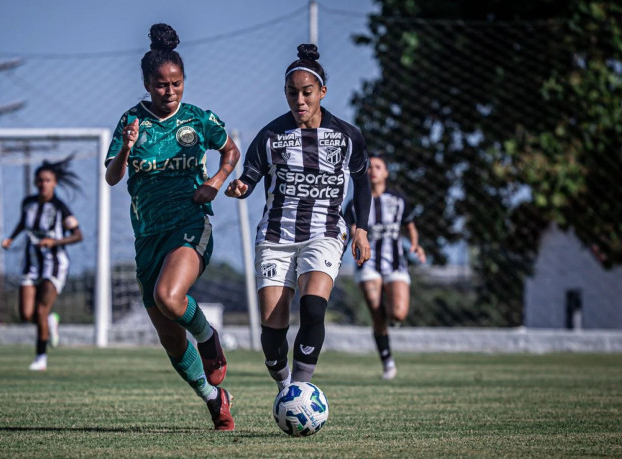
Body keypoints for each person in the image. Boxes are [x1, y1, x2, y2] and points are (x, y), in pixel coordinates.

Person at [104, 23, 240, 431]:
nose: (170, 92)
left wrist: (215, 183)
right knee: (169, 339)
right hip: (147, 236)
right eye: (161, 85)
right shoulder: (131, 121)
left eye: (176, 83)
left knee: (169, 295)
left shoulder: (198, 120)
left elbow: (230, 149)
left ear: (184, 81)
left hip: (189, 224)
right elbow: (112, 178)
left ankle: (209, 336)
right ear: (147, 83)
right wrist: (126, 148)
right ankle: (215, 400)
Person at [225, 44, 372, 392]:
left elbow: (362, 181)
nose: (300, 101)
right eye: (292, 93)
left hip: (325, 233)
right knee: (273, 336)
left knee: (313, 309)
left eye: (307, 93)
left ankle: (300, 392)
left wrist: (361, 229)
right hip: (276, 236)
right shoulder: (271, 136)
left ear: (322, 91)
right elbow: (251, 177)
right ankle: (283, 383)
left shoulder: (347, 137)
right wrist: (240, 188)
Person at [344, 155, 426, 380]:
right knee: (375, 310)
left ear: (386, 173)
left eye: (378, 167)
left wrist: (416, 245)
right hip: (368, 263)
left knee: (398, 314)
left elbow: (409, 226)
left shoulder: (398, 199)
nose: (373, 171)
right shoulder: (356, 203)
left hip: (395, 263)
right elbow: (351, 230)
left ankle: (392, 318)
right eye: (370, 167)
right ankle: (388, 363)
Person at [2, 155, 83, 371]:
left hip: (54, 263)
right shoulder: (27, 203)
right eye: (40, 180)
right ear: (35, 182)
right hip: (31, 262)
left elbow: (77, 235)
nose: (43, 184)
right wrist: (11, 237)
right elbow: (22, 222)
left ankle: (40, 358)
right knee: (26, 314)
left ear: (54, 182)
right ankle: (50, 322)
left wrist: (54, 241)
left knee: (40, 309)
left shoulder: (60, 207)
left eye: (47, 180)